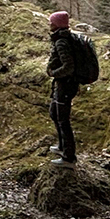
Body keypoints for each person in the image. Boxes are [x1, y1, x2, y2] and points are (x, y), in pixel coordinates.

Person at [44, 10, 80, 165]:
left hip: (65, 85)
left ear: (57, 24)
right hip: (63, 85)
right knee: (54, 113)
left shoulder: (62, 42)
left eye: (51, 22)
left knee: (63, 120)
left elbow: (68, 67)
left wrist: (54, 73)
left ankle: (68, 156)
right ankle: (62, 146)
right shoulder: (63, 38)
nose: (49, 24)